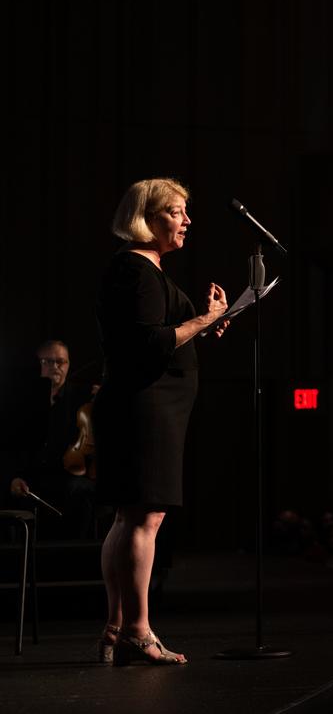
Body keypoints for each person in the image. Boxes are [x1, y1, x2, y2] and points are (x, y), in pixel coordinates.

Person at [94, 178, 229, 666]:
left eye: (186, 211)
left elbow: (161, 334)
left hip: (149, 405)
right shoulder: (135, 272)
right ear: (145, 218)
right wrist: (203, 321)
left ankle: (115, 628)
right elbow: (148, 344)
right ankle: (137, 630)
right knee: (144, 516)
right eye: (176, 211)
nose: (187, 220)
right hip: (146, 407)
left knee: (131, 516)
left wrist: (205, 321)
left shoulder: (145, 271)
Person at [7, 339, 95, 538]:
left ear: (69, 364)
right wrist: (13, 477)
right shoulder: (19, 401)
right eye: (47, 361)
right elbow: (12, 446)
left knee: (79, 492)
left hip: (67, 476)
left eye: (60, 362)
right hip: (31, 477)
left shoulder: (83, 397)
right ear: (37, 364)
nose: (55, 367)